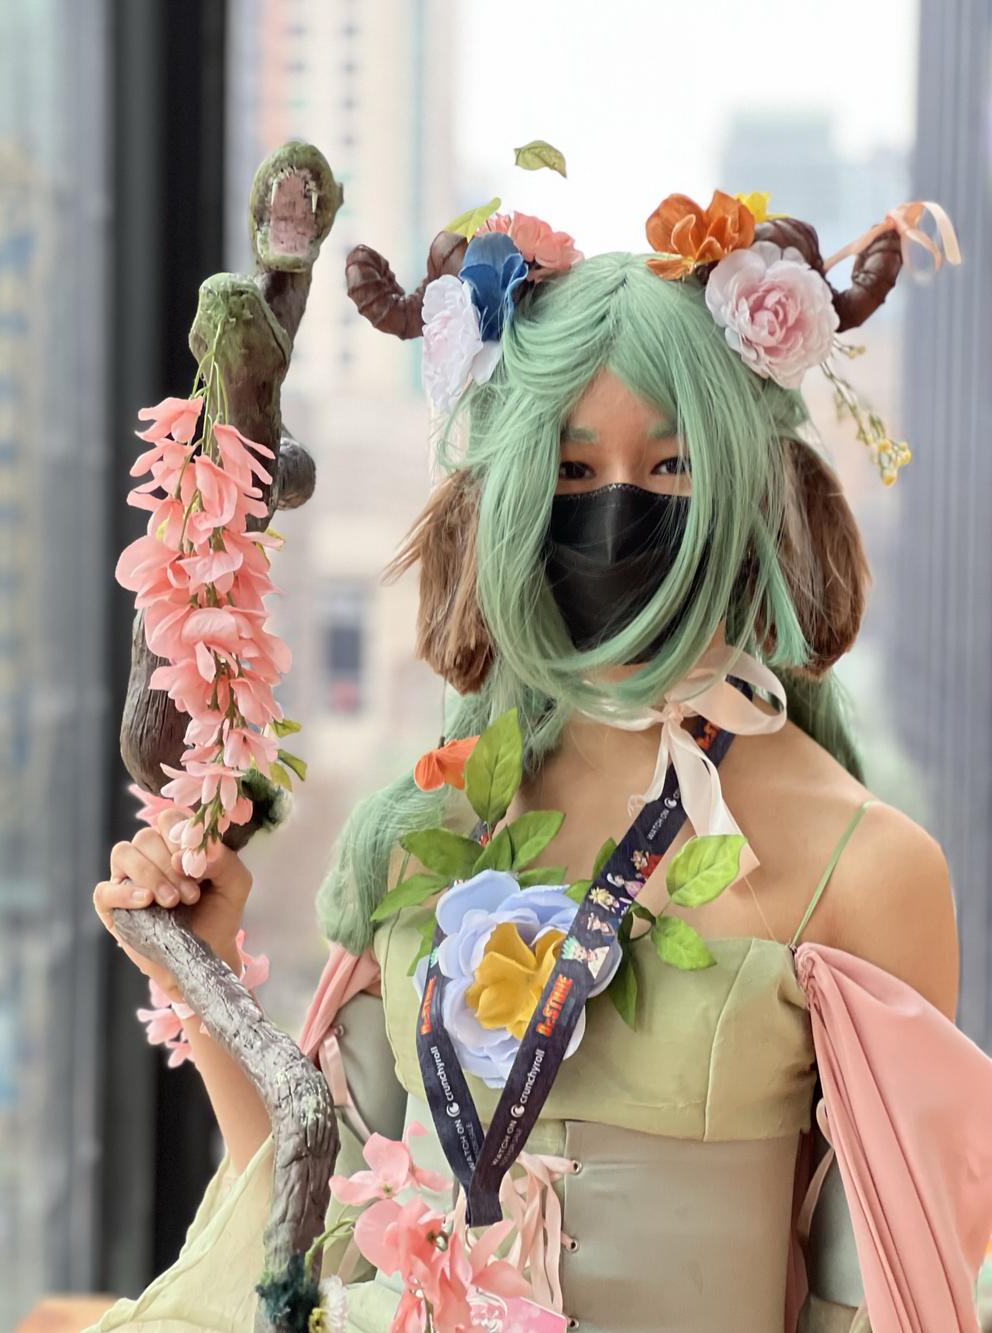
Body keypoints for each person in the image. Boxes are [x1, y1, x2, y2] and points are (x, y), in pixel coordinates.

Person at [90, 193, 992, 1333]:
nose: (615, 513)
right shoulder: (427, 817)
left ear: (752, 489)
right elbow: (316, 1219)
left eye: (671, 467)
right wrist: (199, 961)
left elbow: (877, 1296)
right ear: (505, 499)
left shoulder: (867, 868)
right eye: (569, 472)